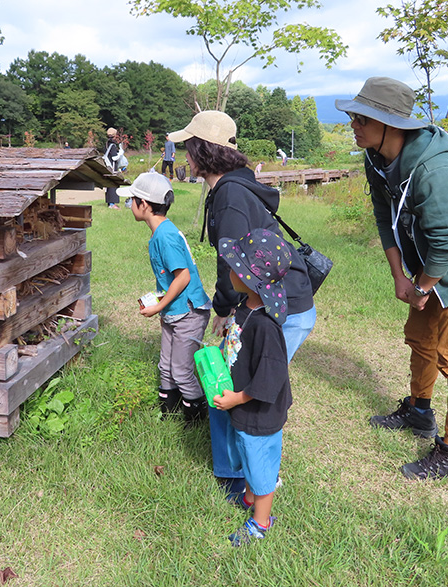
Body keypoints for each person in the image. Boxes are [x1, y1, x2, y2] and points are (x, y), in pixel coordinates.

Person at [335, 76, 448, 480]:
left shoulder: (433, 168)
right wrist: (400, 277)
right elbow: (383, 218)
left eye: (361, 119)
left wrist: (424, 286)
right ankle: (419, 411)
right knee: (420, 338)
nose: (353, 125)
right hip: (428, 265)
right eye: (354, 117)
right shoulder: (376, 158)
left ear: (391, 125)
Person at [167, 111, 316, 493]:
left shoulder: (231, 195)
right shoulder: (231, 187)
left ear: (203, 150)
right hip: (262, 299)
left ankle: (255, 481)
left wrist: (223, 309)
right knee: (235, 385)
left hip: (281, 306)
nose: (185, 155)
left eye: (188, 146)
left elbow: (230, 261)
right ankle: (239, 472)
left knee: (248, 392)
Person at [213, 228, 293, 546]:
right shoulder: (247, 306)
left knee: (260, 465)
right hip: (244, 405)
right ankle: (249, 497)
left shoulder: (266, 326)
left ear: (250, 277)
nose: (228, 270)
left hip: (259, 410)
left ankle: (261, 521)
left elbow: (270, 378)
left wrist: (238, 398)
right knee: (248, 455)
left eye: (235, 266)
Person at [117, 171, 211, 424]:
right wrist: (163, 309)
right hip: (175, 310)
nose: (130, 206)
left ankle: (197, 421)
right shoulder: (160, 232)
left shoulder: (165, 236)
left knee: (181, 371)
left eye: (132, 200)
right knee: (166, 367)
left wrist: (159, 306)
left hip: (189, 311)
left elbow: (182, 278)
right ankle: (168, 415)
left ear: (144, 205)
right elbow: (167, 278)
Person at [103, 127, 123, 209]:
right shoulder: (113, 145)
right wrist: (121, 153)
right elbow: (114, 157)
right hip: (112, 166)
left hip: (107, 166)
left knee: (108, 185)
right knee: (113, 184)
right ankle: (112, 204)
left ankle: (109, 203)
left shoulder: (106, 144)